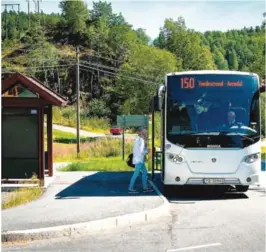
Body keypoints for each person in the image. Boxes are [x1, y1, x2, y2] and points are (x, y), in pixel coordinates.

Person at [128, 127, 154, 193]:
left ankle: (145, 188)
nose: (145, 134)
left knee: (144, 173)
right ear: (141, 133)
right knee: (136, 174)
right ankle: (130, 188)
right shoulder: (141, 140)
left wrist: (145, 151)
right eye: (144, 132)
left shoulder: (138, 139)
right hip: (139, 160)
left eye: (145, 132)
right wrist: (148, 151)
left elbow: (139, 150)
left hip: (139, 160)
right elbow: (141, 151)